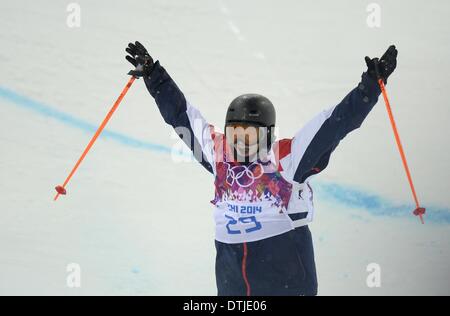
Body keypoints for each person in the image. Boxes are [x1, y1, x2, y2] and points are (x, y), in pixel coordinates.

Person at [125, 41, 398, 296]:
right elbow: (181, 115)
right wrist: (154, 75)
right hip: (232, 284)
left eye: (250, 135)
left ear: (267, 135)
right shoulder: (219, 155)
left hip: (285, 281)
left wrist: (371, 87)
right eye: (235, 133)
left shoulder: (286, 160)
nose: (241, 142)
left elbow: (334, 124)